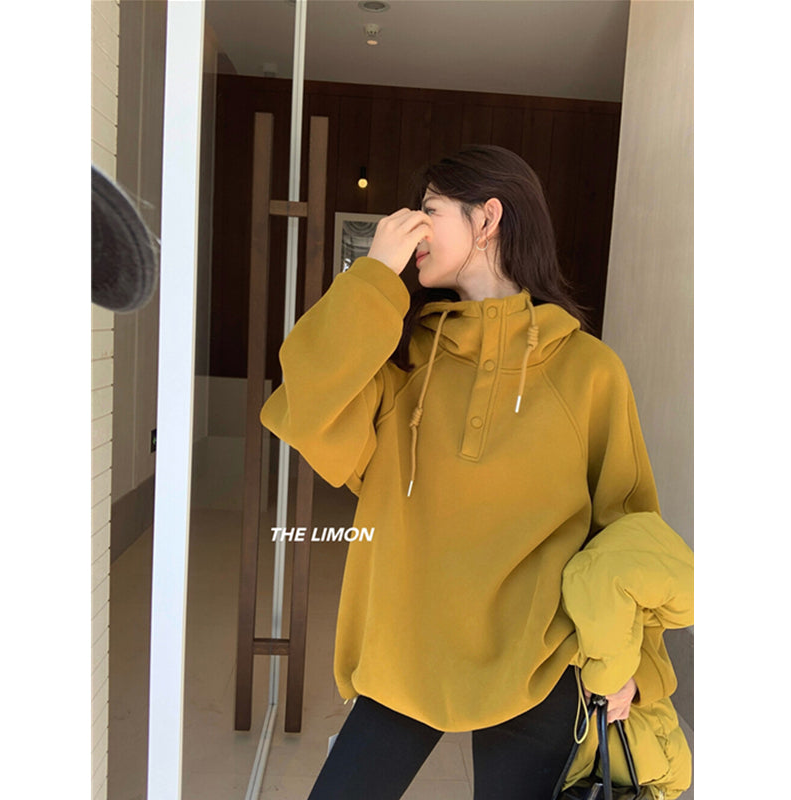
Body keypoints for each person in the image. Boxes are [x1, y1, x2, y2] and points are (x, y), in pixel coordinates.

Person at [260, 145, 689, 799]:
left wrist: (632, 666)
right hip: (406, 653)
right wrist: (373, 274)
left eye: (429, 210)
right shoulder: (402, 363)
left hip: (538, 662)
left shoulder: (589, 371)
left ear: (487, 219)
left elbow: (630, 532)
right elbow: (307, 401)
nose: (413, 228)